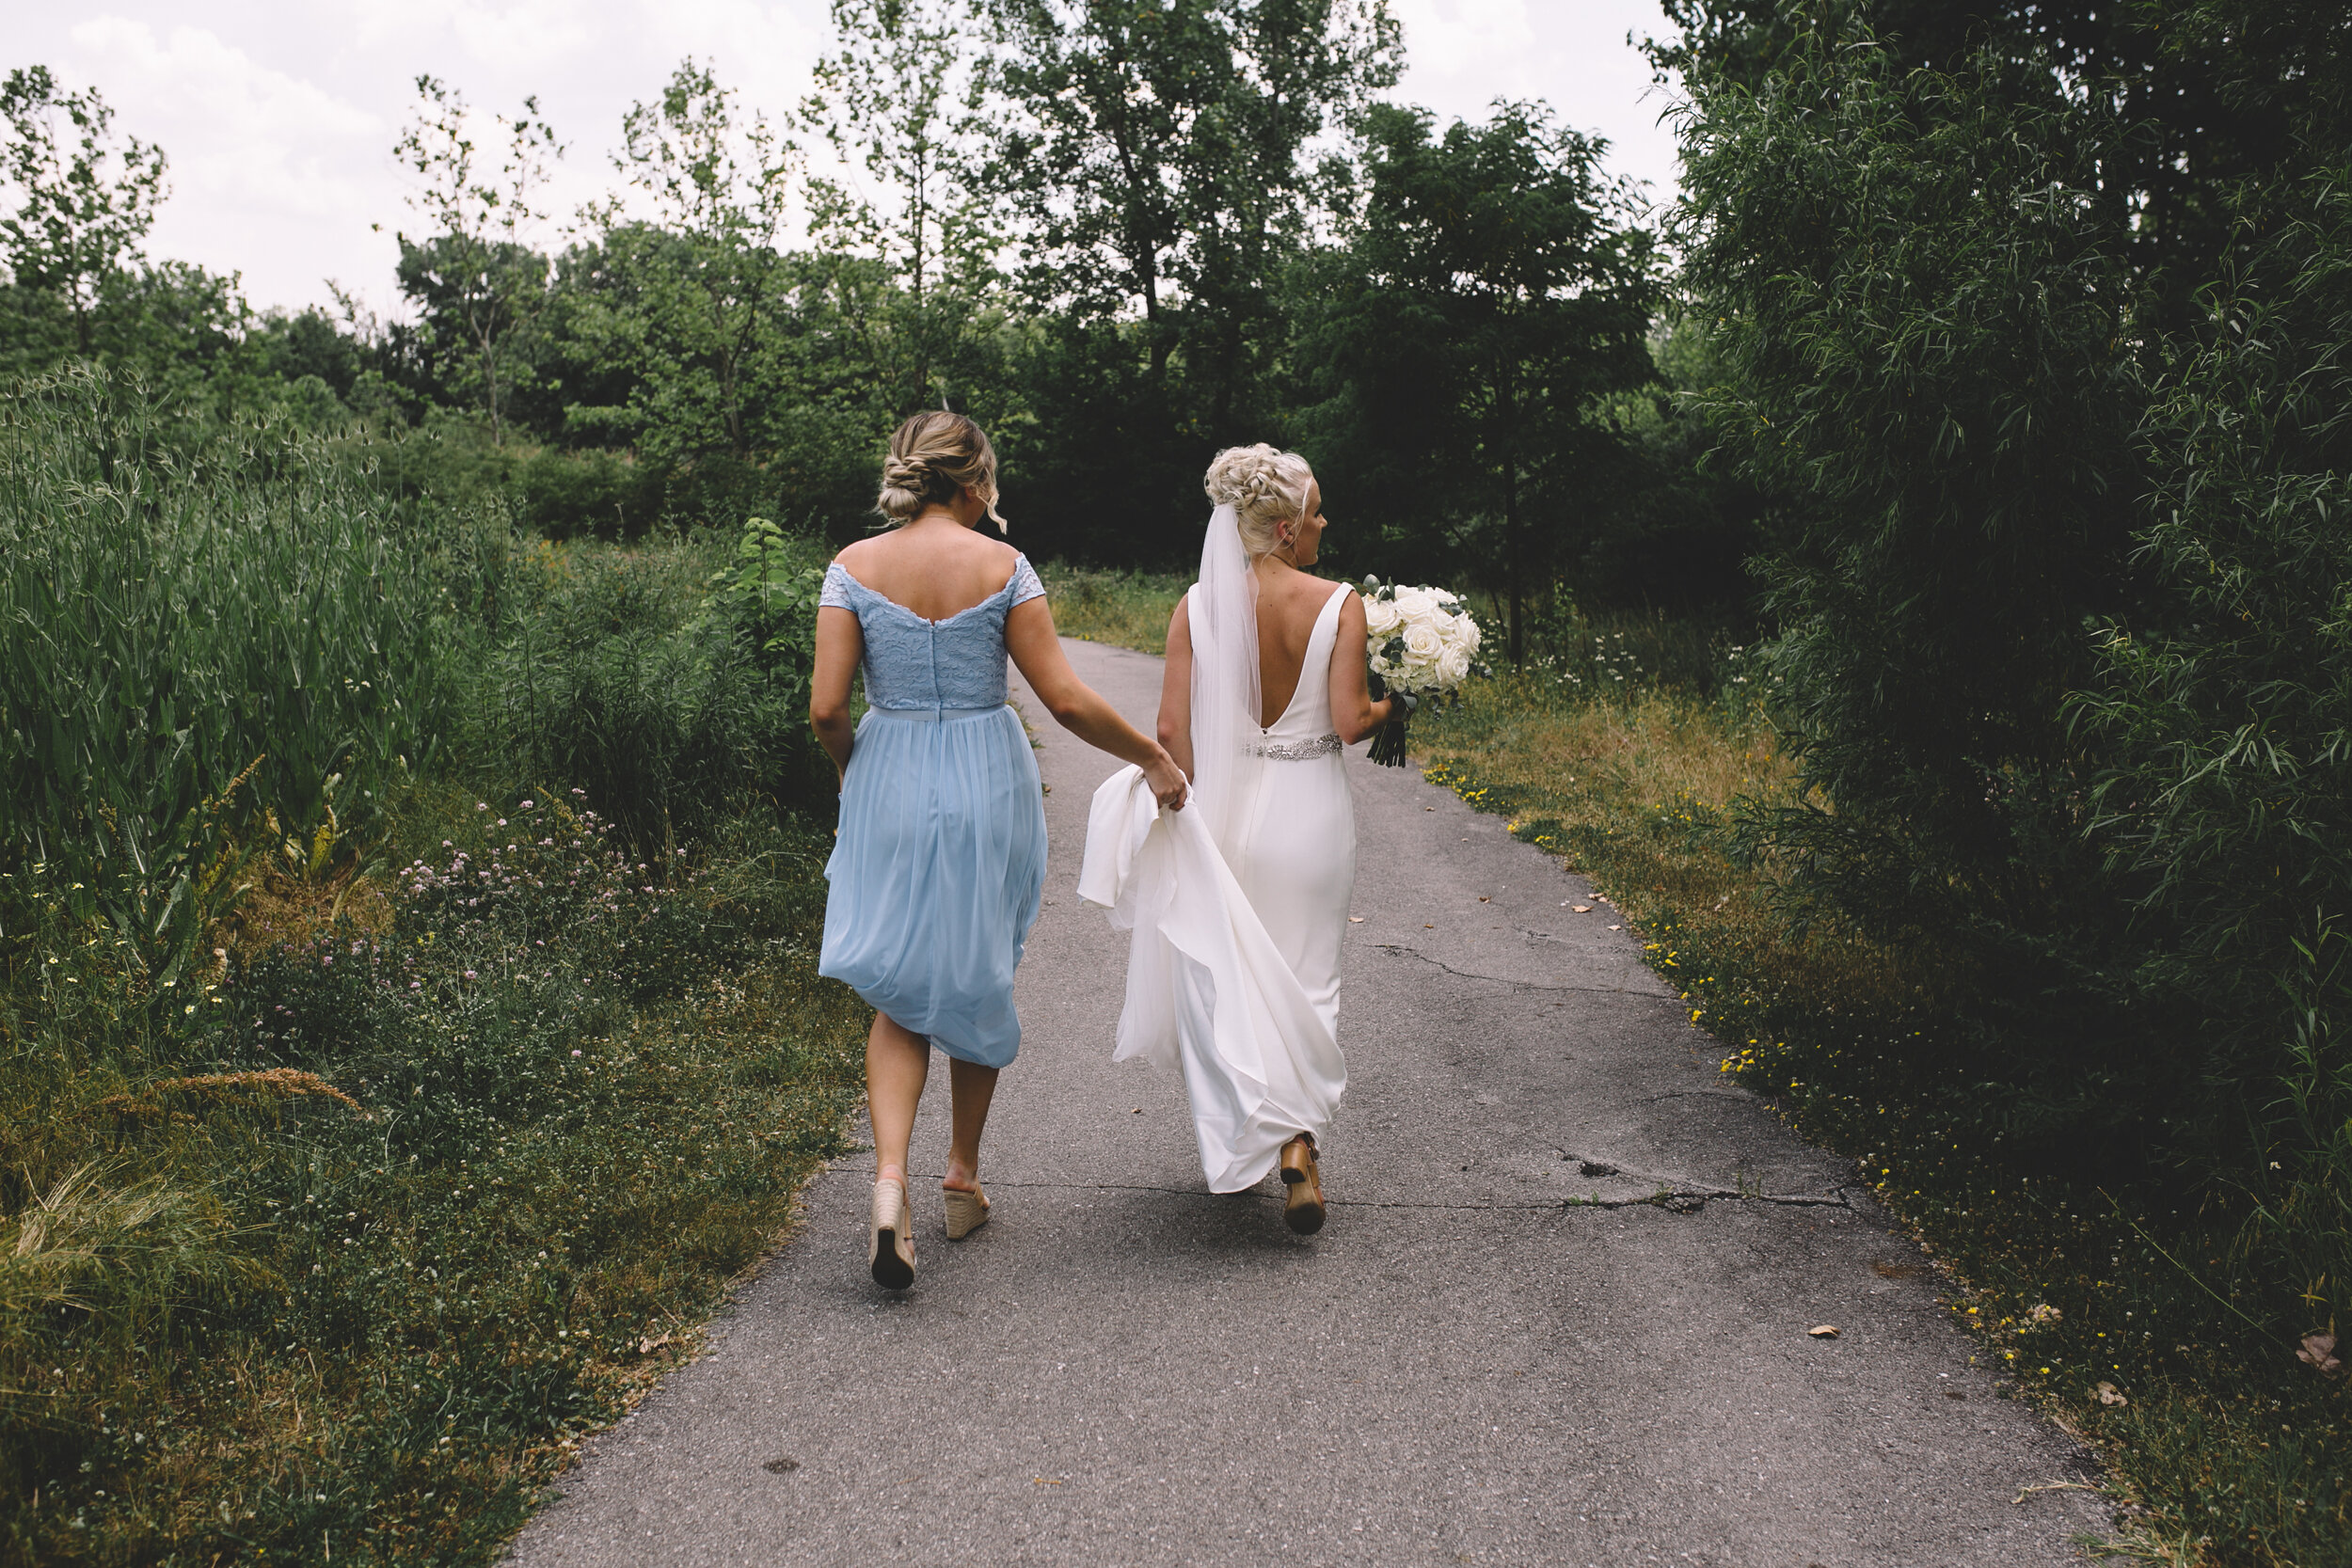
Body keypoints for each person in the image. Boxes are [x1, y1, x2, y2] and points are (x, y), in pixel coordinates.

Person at [811, 411, 1186, 1289]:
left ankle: (889, 1181)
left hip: (890, 770)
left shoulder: (850, 568)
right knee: (978, 967)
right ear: (973, 479)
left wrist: (850, 774)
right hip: (985, 773)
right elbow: (1062, 698)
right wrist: (1153, 758)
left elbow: (829, 707)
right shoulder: (1005, 567)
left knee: (900, 989)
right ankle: (961, 1176)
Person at [1076, 445, 1399, 1233]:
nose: (1325, 522)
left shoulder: (1197, 605)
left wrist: (1180, 801)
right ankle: (1298, 1140)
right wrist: (1400, 701)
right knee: (1308, 975)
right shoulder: (1340, 602)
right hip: (1310, 815)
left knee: (1235, 977)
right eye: (1316, 512)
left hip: (1223, 812)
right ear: (1286, 529)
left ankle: (1273, 1130)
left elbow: (1167, 730)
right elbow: (1354, 722)